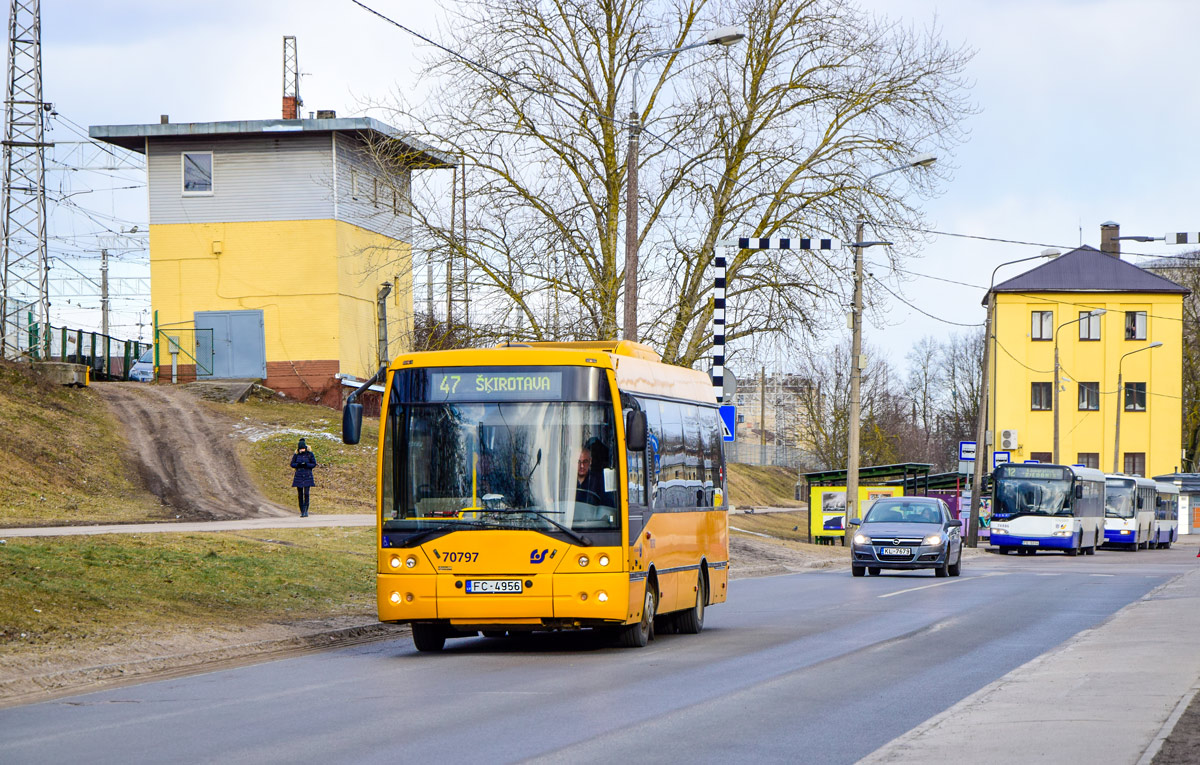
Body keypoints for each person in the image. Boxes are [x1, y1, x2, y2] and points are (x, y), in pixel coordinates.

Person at [290, 438, 317, 517]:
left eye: (303, 448)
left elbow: (314, 464)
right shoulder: (296, 455)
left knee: (306, 494)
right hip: (299, 476)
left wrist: (306, 465)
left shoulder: (310, 454)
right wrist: (298, 465)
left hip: (307, 475)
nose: (302, 450)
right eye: (300, 449)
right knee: (300, 494)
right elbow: (292, 464)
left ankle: (306, 510)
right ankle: (302, 510)